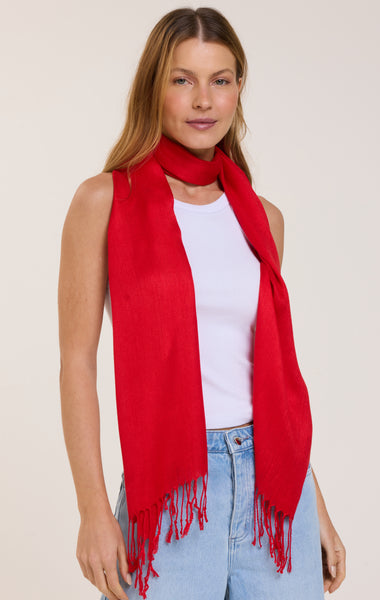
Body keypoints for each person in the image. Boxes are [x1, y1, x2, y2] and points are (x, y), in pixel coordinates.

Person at [58, 7, 346, 600]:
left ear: (239, 88)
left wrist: (312, 503)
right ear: (154, 87)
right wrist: (92, 511)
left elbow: (268, 376)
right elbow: (76, 362)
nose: (203, 100)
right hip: (174, 495)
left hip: (275, 496)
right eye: (182, 79)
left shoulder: (263, 218)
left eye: (221, 80)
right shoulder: (103, 202)